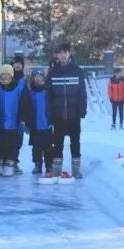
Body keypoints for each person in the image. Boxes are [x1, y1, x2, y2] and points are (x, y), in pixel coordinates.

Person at [48, 41, 87, 178]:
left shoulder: (77, 71)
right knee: (57, 142)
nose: (63, 55)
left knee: (75, 142)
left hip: (73, 113)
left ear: (69, 54)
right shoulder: (53, 72)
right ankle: (57, 170)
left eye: (65, 52)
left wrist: (82, 109)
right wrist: (50, 112)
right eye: (60, 53)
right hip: (58, 114)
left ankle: (76, 170)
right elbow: (49, 94)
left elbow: (82, 92)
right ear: (57, 55)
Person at [0, 63, 26, 175]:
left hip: (13, 123)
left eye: (8, 74)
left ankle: (10, 164)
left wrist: (22, 120)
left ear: (12, 76)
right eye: (3, 74)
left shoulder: (18, 88)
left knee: (12, 144)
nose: (5, 76)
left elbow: (23, 104)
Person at [21, 67, 54, 174]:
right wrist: (26, 122)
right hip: (34, 125)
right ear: (33, 79)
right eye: (36, 77)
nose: (38, 79)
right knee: (36, 147)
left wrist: (53, 121)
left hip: (46, 124)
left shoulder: (48, 92)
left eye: (40, 77)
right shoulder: (30, 93)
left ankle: (49, 165)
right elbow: (26, 108)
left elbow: (53, 107)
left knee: (48, 147)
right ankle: (37, 164)